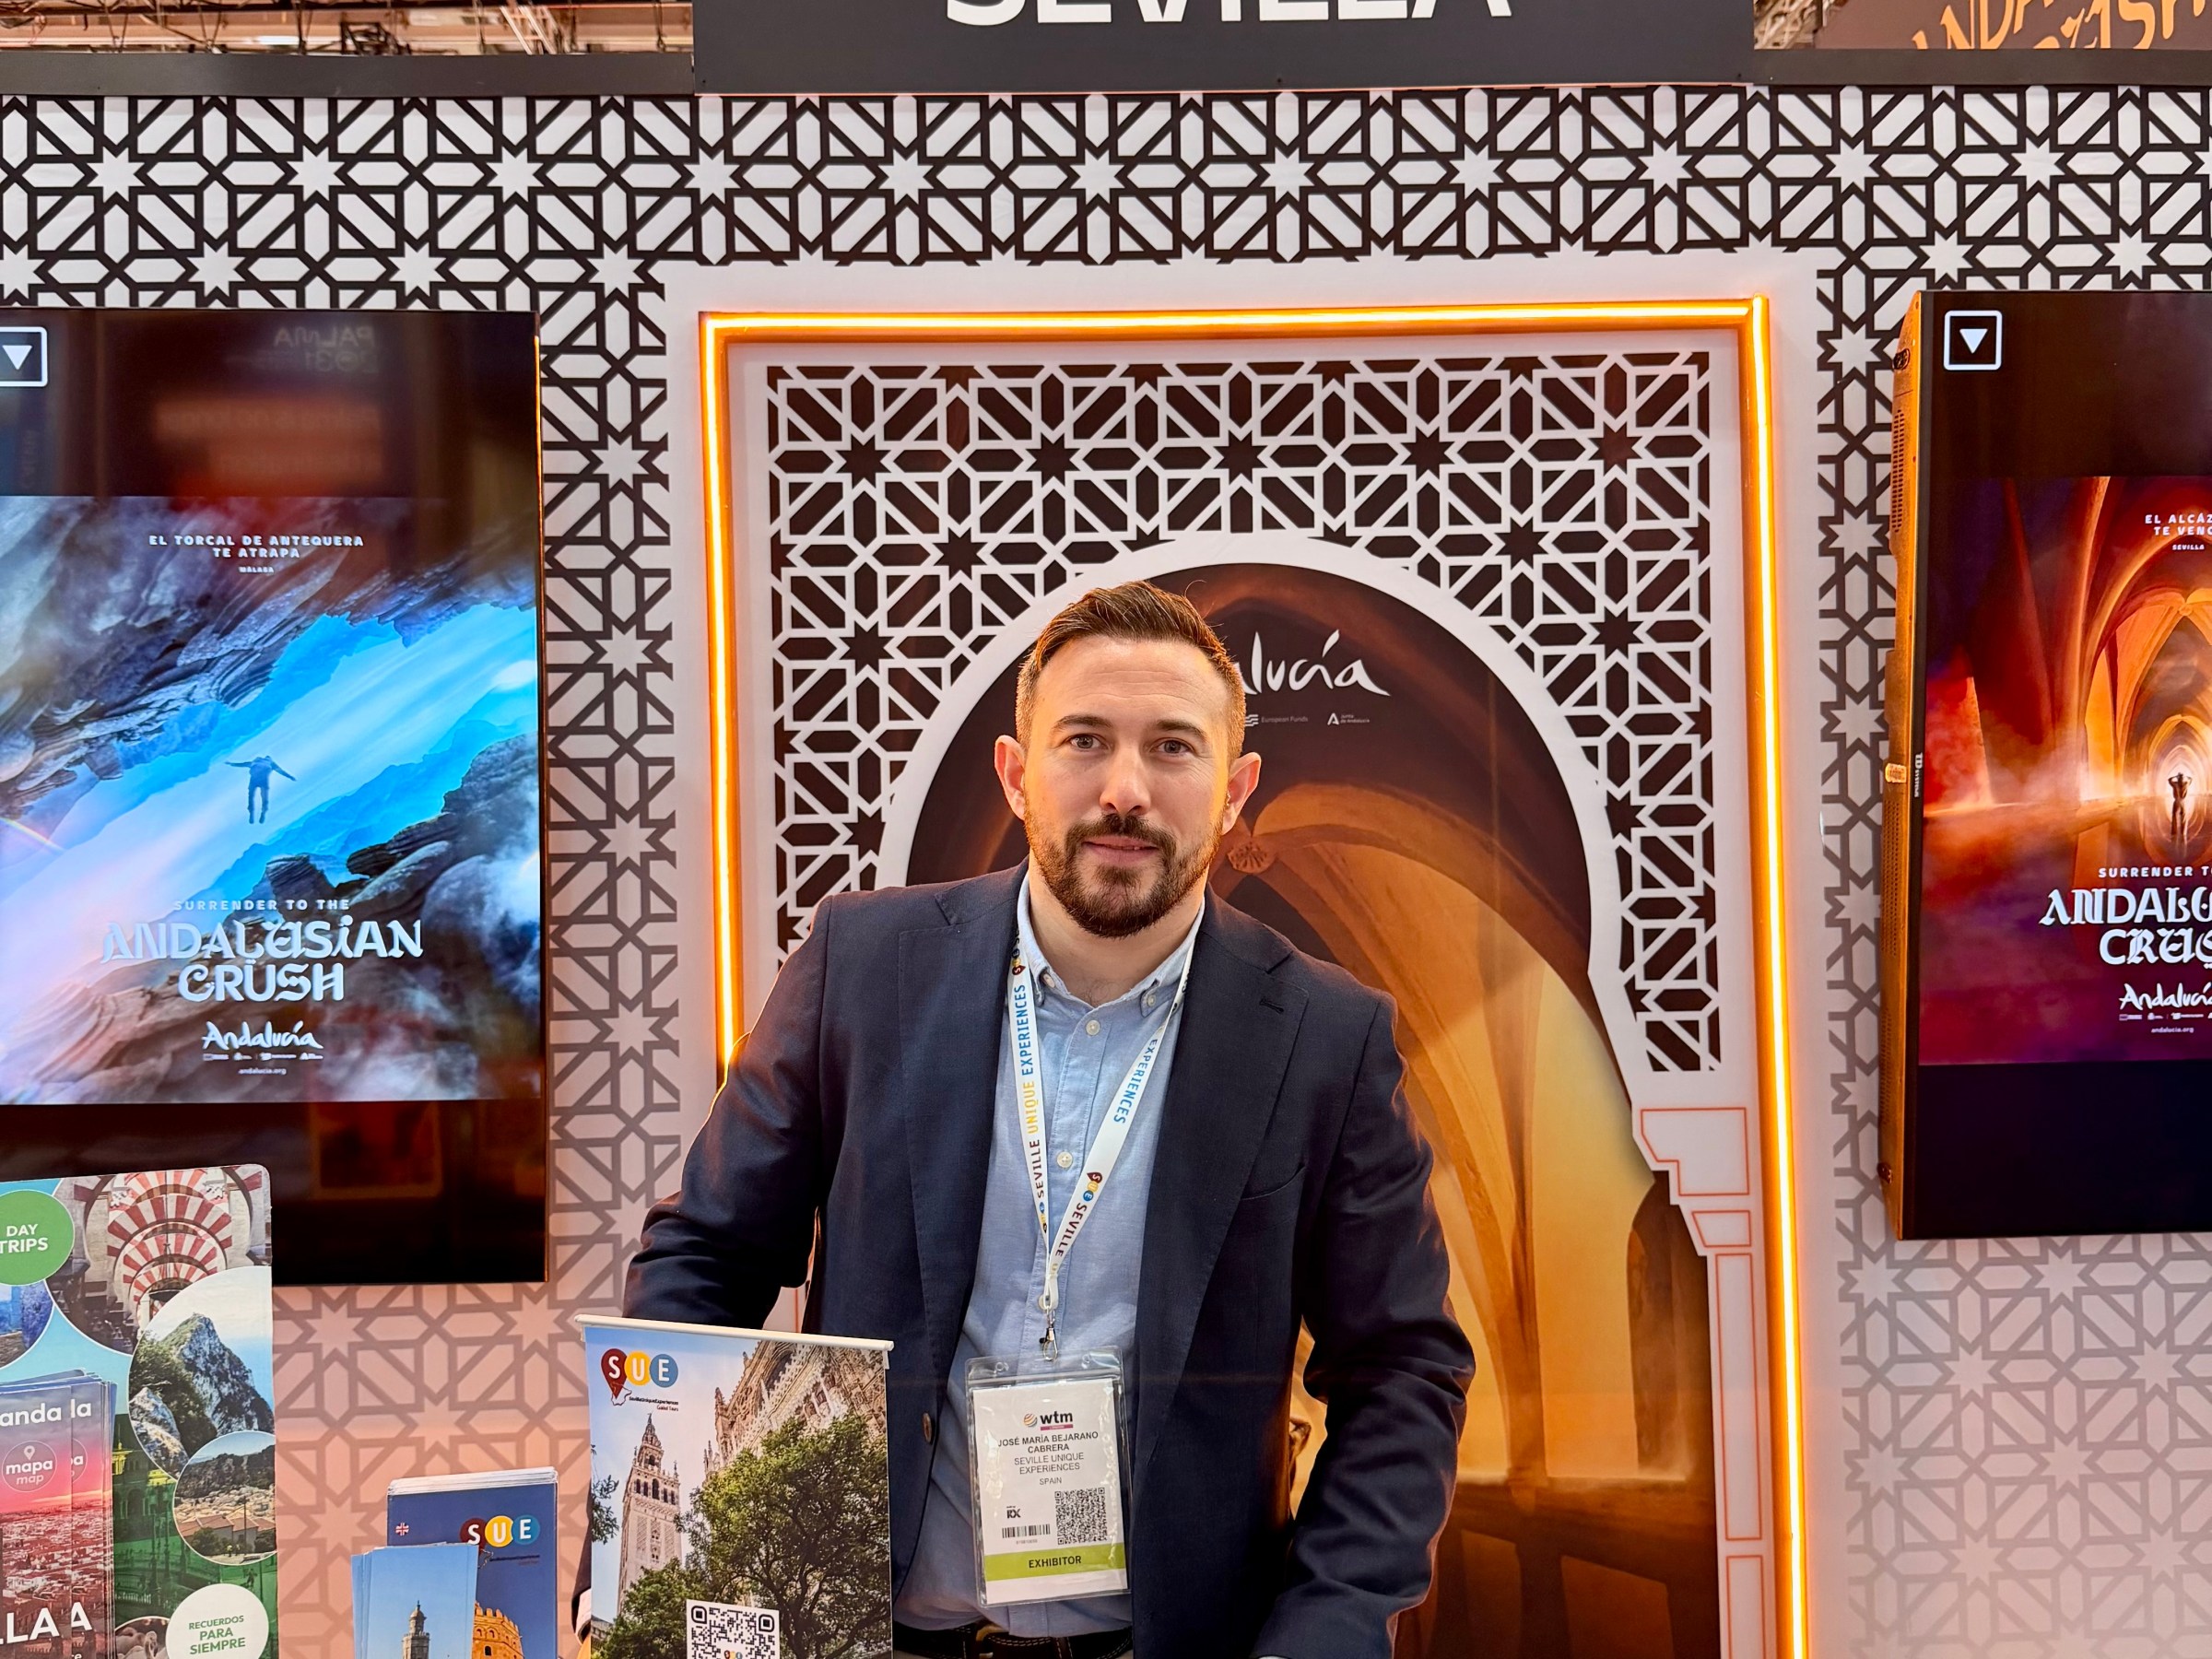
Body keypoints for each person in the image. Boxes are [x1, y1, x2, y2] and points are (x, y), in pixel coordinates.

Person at [625, 581, 1474, 1659]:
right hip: (874, 1637)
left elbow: (1402, 1368)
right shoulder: (862, 968)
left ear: (1235, 789)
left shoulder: (1326, 1036)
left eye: (1174, 748)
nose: (1126, 790)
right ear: (1018, 773)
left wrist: (1329, 1625)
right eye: (1085, 741)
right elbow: (707, 1255)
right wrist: (649, 1575)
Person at [226, 755, 294, 823]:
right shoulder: (271, 763)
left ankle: (253, 813)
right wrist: (290, 777)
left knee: (252, 797)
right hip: (262, 782)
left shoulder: (256, 761)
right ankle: (261, 812)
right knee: (263, 799)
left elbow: (243, 764)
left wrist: (231, 764)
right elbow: (281, 771)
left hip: (254, 780)